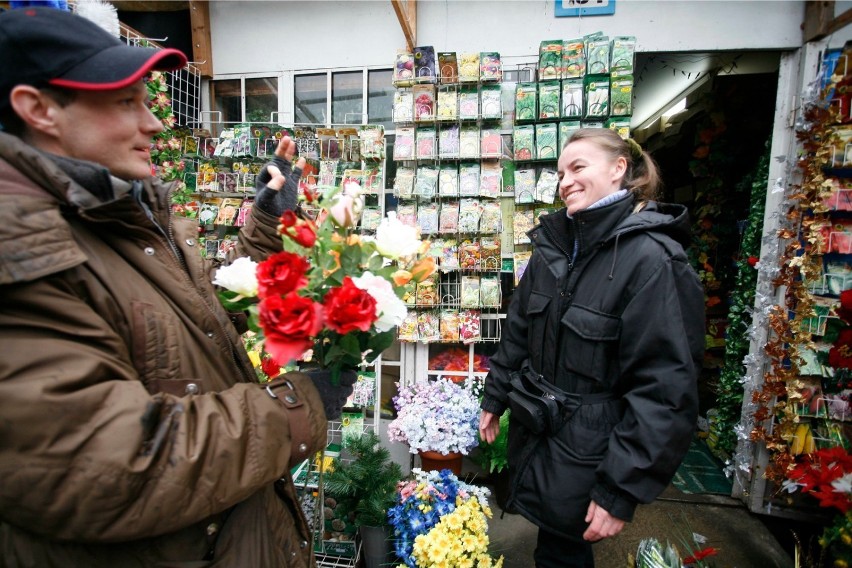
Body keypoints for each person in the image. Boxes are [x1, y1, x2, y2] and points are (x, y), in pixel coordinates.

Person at [0, 7, 353, 567]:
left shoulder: (112, 220)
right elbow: (109, 468)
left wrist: (266, 222)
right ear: (37, 109)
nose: (156, 123)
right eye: (126, 102)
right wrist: (298, 406)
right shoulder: (23, 254)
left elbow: (201, 317)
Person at [479, 128, 704, 567]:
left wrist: (620, 488)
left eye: (578, 167)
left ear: (619, 169)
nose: (565, 181)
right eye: (561, 172)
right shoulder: (553, 247)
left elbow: (665, 390)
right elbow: (520, 328)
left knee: (565, 551)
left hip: (592, 447)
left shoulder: (653, 260)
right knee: (555, 539)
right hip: (543, 430)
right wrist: (496, 394)